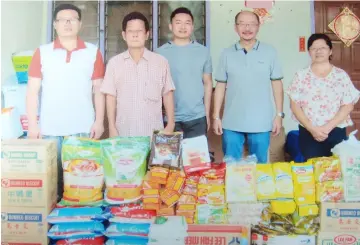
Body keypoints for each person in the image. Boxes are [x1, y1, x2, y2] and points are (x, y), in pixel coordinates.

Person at [26, 3, 105, 197]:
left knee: (82, 184)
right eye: (62, 20)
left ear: (80, 24)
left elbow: (99, 90)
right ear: (55, 24)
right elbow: (32, 91)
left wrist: (99, 121)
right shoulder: (42, 52)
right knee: (51, 186)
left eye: (72, 19)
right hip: (49, 130)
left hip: (82, 129)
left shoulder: (92, 52)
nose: (67, 23)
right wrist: (33, 126)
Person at [212, 10, 284, 163]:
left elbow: (277, 84)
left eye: (252, 24)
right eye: (242, 24)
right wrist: (216, 116)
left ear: (258, 27)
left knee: (260, 167)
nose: (247, 28)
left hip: (261, 121)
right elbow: (220, 86)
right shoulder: (226, 53)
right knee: (231, 165)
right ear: (235, 27)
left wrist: (279, 115)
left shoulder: (270, 52)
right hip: (232, 121)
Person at [101, 12, 175, 137]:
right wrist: (112, 127)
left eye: (139, 31)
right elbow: (110, 97)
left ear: (147, 34)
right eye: (130, 31)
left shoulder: (161, 62)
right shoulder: (114, 63)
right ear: (124, 35)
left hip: (153, 133)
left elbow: (167, 93)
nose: (135, 35)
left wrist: (171, 123)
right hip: (123, 133)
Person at [286, 33, 359, 160]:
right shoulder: (301, 75)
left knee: (337, 170)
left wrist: (327, 128)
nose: (318, 51)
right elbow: (294, 105)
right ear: (309, 52)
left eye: (323, 48)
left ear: (330, 51)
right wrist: (312, 129)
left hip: (336, 130)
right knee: (314, 170)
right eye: (314, 48)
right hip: (309, 131)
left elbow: (348, 105)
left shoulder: (340, 75)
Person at [156, 7, 213, 139]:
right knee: (170, 159)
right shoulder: (159, 53)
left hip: (197, 118)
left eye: (187, 23)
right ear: (170, 26)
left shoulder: (203, 51)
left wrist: (207, 114)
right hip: (168, 119)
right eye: (178, 22)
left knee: (196, 159)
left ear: (192, 27)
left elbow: (207, 83)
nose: (183, 27)